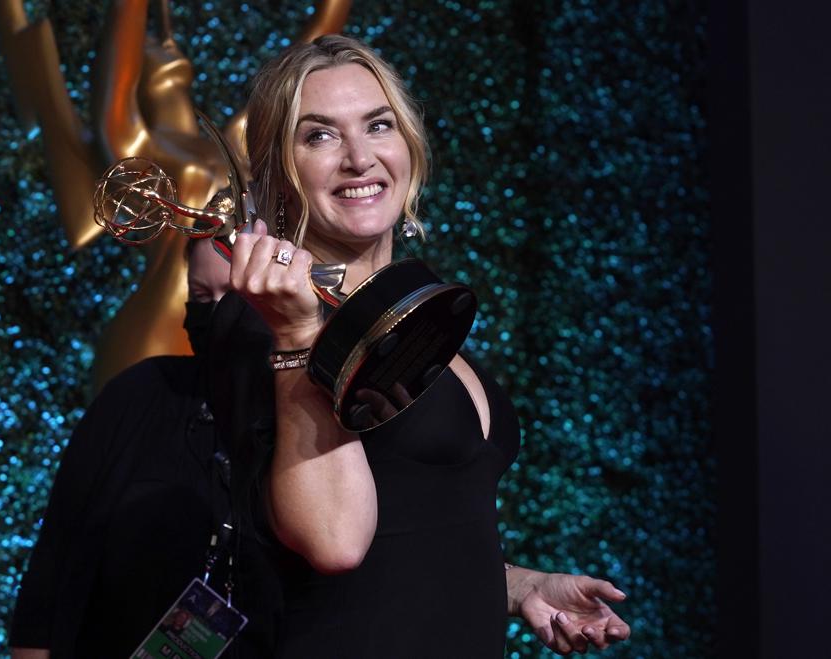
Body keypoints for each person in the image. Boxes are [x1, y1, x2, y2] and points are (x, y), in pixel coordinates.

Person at [205, 34, 632, 656]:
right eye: (318, 136)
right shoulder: (262, 326)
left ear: (409, 143)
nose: (359, 158)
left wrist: (518, 586)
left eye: (378, 125)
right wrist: (296, 337)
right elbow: (334, 542)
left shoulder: (410, 311)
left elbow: (417, 531)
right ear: (279, 169)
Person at [9, 237, 280, 658]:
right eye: (200, 296)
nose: (216, 313)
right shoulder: (138, 395)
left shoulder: (311, 421)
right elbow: (51, 571)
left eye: (235, 296)